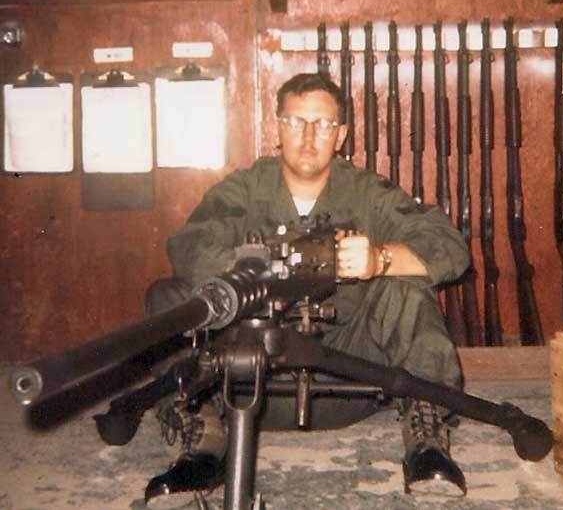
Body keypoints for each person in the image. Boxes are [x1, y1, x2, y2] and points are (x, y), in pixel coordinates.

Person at [145, 72, 471, 505]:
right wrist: (251, 267)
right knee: (168, 299)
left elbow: (449, 245)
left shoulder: (367, 192)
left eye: (322, 124)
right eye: (296, 122)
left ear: (341, 135)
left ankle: (426, 436)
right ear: (277, 128)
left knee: (405, 288)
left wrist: (380, 260)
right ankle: (203, 436)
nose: (308, 136)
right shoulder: (244, 188)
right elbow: (190, 243)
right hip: (248, 384)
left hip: (348, 377)